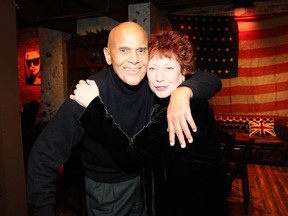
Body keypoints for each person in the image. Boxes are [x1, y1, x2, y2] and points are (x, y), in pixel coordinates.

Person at [27, 22, 222, 216]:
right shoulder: (88, 95)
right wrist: (43, 209)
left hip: (149, 182)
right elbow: (43, 156)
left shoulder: (153, 79)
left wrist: (184, 90)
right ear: (108, 56)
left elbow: (209, 79)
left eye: (141, 50)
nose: (134, 60)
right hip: (109, 188)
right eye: (124, 50)